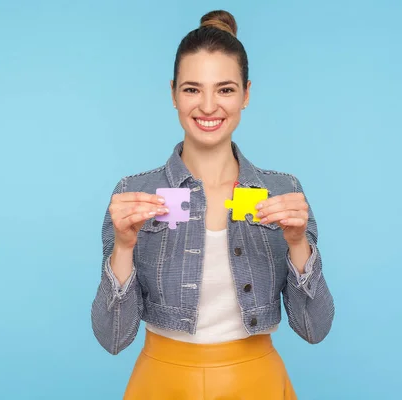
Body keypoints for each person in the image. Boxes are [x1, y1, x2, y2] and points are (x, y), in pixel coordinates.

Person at [90, 9, 335, 399]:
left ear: (246, 94)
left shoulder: (281, 191)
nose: (207, 106)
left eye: (224, 89)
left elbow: (314, 330)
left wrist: (297, 243)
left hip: (257, 383)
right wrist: (123, 247)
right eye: (192, 89)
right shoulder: (136, 193)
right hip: (162, 383)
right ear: (173, 94)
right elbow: (114, 338)